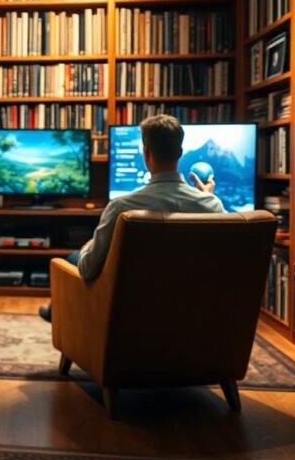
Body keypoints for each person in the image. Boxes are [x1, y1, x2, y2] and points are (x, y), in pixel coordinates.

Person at [40, 114, 224, 322]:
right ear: (180, 153)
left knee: (77, 257)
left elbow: (88, 269)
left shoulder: (122, 207)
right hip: (190, 309)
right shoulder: (212, 205)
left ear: (146, 153)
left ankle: (55, 312)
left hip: (128, 313)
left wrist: (88, 247)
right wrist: (207, 197)